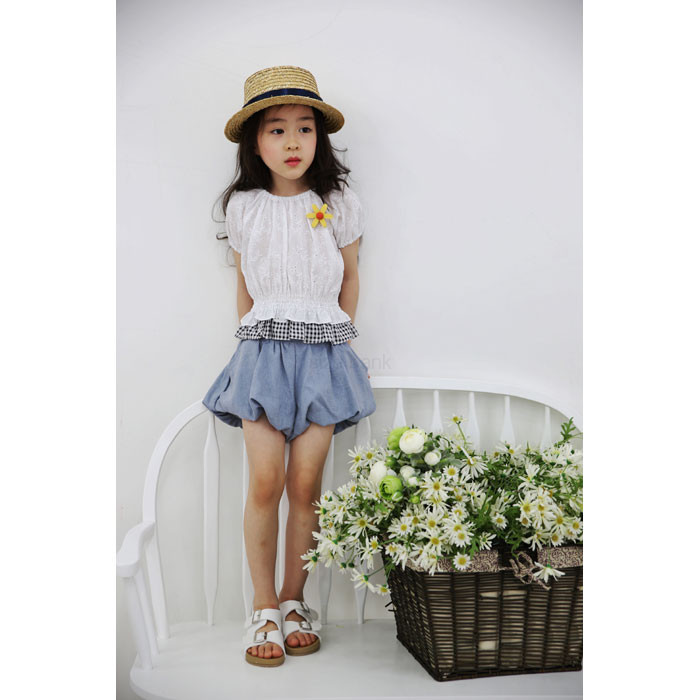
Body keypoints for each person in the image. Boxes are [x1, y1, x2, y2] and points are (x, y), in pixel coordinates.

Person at [202, 65, 376, 667]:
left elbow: (349, 277)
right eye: (277, 130)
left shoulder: (337, 202)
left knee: (306, 485)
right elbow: (245, 287)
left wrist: (341, 343)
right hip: (262, 355)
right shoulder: (244, 207)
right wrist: (249, 348)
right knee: (265, 482)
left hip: (324, 353)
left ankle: (295, 599)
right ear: (256, 142)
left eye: (305, 128)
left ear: (319, 138)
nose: (293, 141)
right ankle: (264, 606)